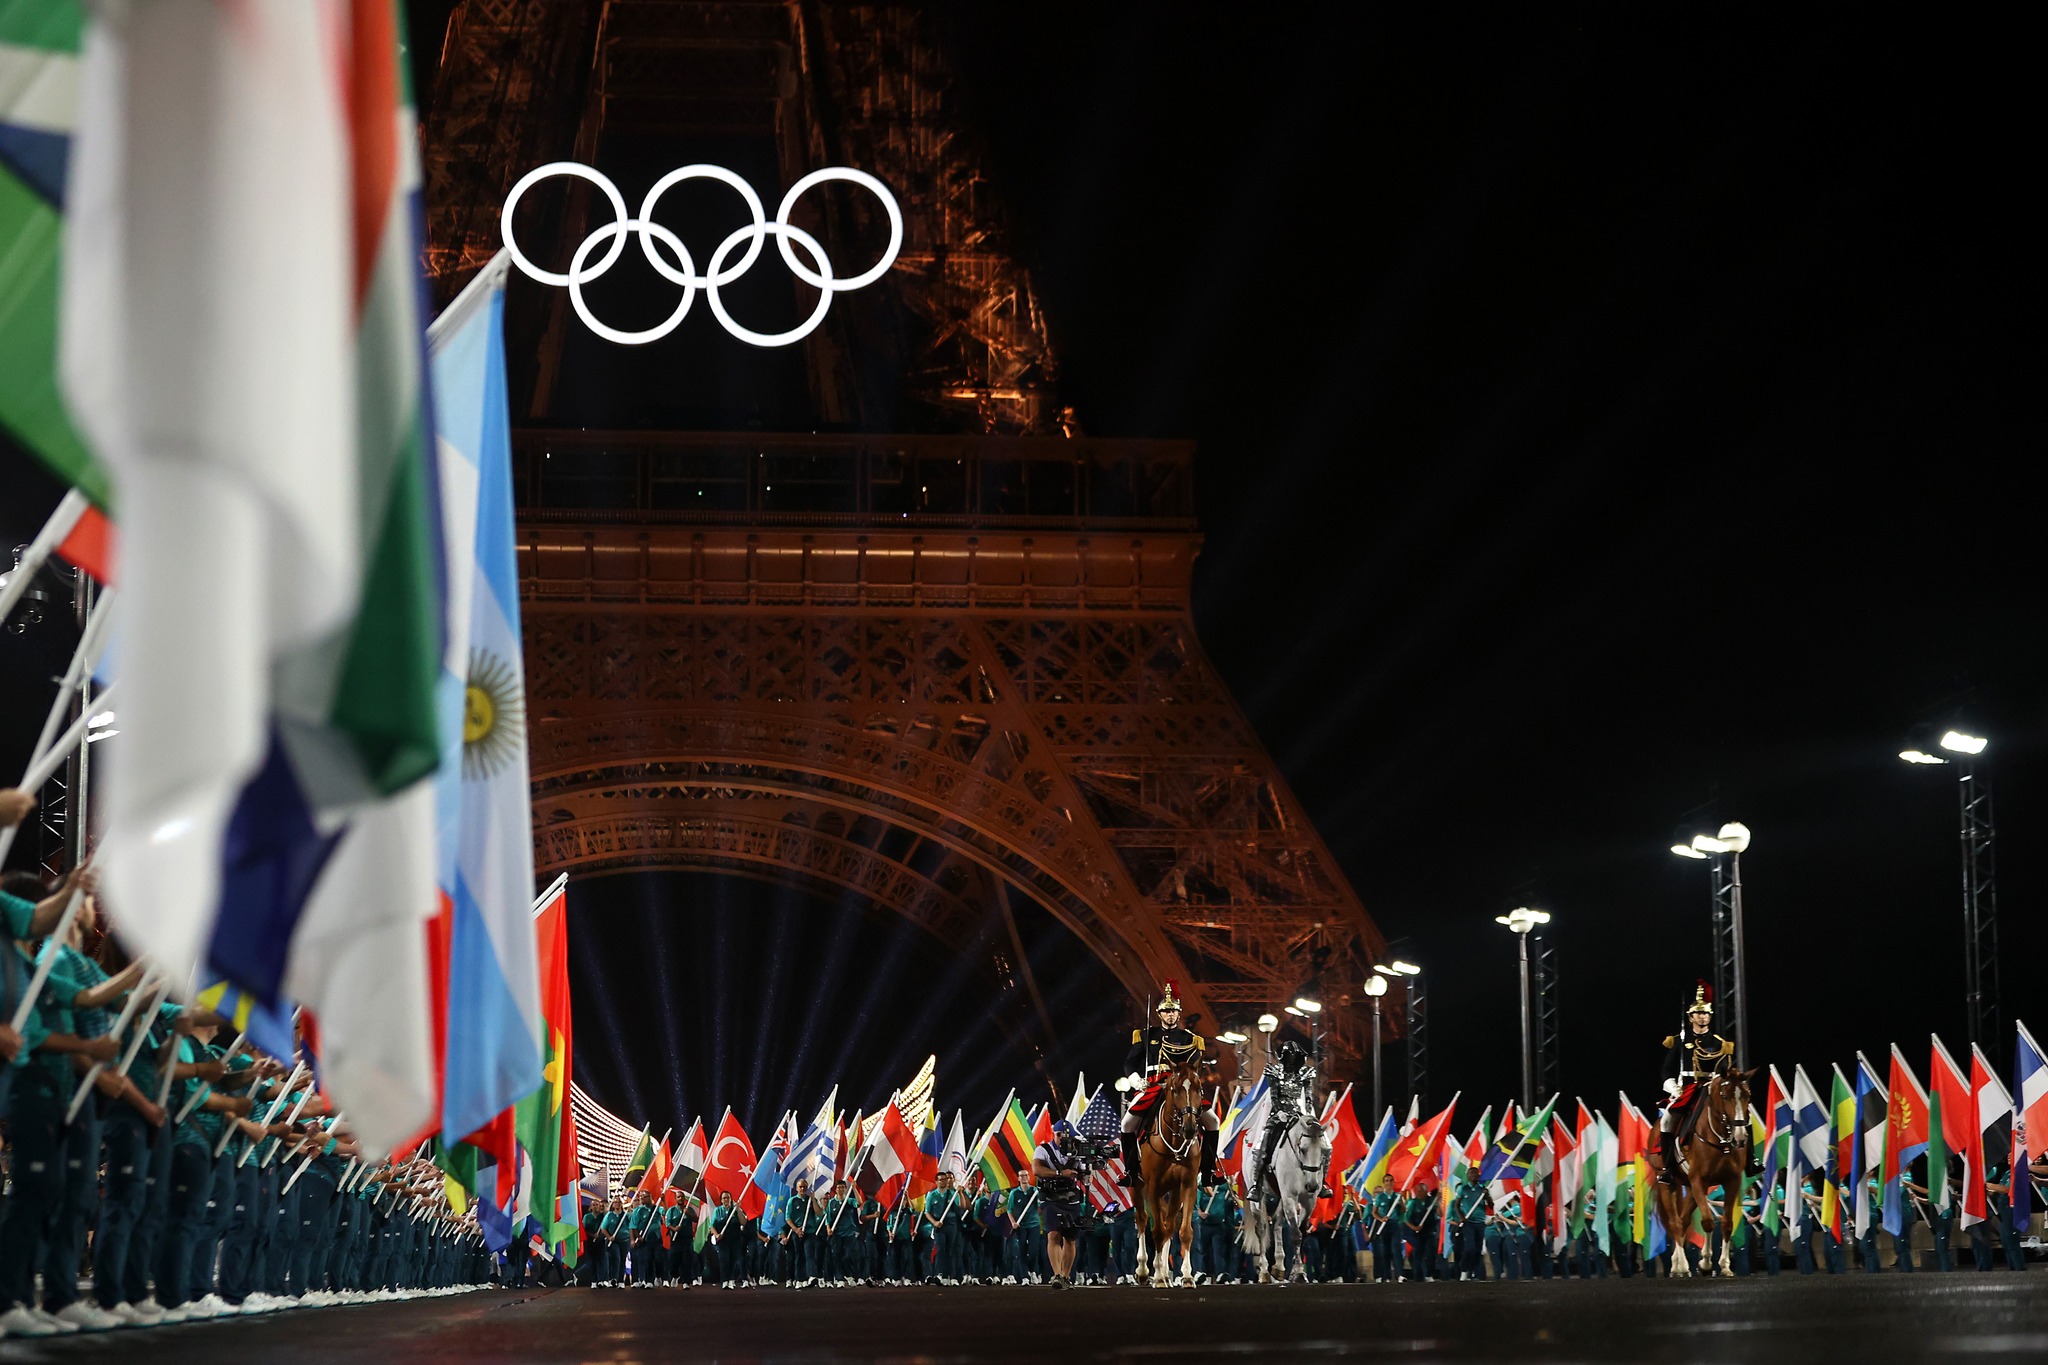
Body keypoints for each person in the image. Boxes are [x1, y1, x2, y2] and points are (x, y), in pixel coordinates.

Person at [1119, 982, 1216, 1185]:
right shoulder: (1146, 1035)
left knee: (1213, 1121)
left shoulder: (1190, 1038)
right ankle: (1131, 1171)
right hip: (1153, 1085)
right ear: (1159, 1014)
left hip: (1181, 1087)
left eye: (1173, 1011)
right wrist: (1137, 1081)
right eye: (1166, 1011)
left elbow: (1195, 1066)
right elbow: (1129, 1062)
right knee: (1127, 1124)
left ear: (1178, 1014)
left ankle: (1207, 1170)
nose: (1170, 1015)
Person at [1657, 983, 1736, 1187]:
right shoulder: (1679, 1041)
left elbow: (1728, 1069)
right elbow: (1666, 1070)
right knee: (1666, 1120)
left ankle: (1752, 1160)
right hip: (1689, 1089)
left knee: (1743, 1115)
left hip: (1714, 1087)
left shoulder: (1720, 1044)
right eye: (1698, 1013)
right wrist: (1673, 1087)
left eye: (1706, 1014)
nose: (1702, 1017)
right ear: (1691, 1017)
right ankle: (1668, 1168)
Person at [1246, 1038, 1320, 1196]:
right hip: (1278, 1115)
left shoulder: (1304, 1074)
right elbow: (1274, 1096)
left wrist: (1308, 1114)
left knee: (1323, 1143)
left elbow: (1307, 1098)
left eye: (1295, 1056)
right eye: (1289, 1056)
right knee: (1262, 1145)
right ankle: (1256, 1185)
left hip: (1299, 1115)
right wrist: (1280, 1111)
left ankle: (1323, 1181)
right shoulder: (1275, 1072)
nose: (1292, 1059)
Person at [1030, 1119, 1089, 1287]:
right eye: (1059, 1134)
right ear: (1053, 1134)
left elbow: (1083, 1172)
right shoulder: (1043, 1150)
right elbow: (1036, 1169)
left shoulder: (1077, 1152)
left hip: (1071, 1197)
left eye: (1066, 1135)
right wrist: (1060, 1173)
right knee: (1053, 1234)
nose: (1063, 1138)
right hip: (1050, 1197)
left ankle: (1066, 1275)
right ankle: (1056, 1274)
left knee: (1070, 1238)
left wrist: (1083, 1175)